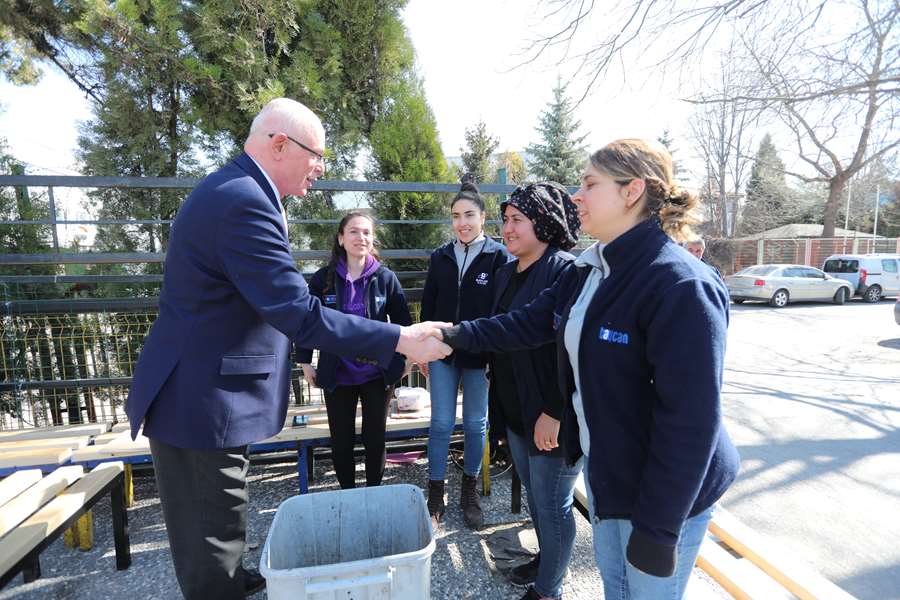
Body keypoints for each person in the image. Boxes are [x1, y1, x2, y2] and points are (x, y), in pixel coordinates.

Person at [125, 98, 450, 600]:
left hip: (205, 394)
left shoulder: (238, 190)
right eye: (316, 155)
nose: (320, 168)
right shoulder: (243, 201)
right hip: (199, 400)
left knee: (222, 517)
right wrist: (399, 339)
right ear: (279, 144)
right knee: (210, 535)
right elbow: (297, 312)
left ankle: (232, 577)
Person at [436, 139, 740, 600]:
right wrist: (450, 335)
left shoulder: (679, 284)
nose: (576, 196)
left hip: (664, 494)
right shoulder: (589, 270)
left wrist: (658, 531)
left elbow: (691, 422)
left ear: (632, 190)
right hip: (609, 476)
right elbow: (526, 323)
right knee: (616, 589)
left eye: (590, 184)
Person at [489, 182, 583, 600]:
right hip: (516, 409)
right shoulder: (506, 272)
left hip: (549, 414)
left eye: (517, 220)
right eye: (505, 220)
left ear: (543, 223)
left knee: (553, 503)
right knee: (536, 495)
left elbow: (573, 352)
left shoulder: (565, 271)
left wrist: (556, 409)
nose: (507, 229)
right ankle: (547, 561)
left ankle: (549, 591)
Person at [420, 180, 512, 528]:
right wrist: (424, 351)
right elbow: (428, 307)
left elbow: (503, 312)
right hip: (442, 352)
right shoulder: (440, 256)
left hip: (479, 354)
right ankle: (435, 490)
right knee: (441, 423)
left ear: (483, 217)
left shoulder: (499, 256)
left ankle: (469, 489)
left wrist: (495, 356)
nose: (462, 223)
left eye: (469, 215)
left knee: (476, 425)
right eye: (456, 216)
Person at [297, 211, 412, 489]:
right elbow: (308, 322)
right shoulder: (323, 279)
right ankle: (347, 493)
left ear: (372, 240)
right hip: (337, 373)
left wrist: (407, 360)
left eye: (366, 233)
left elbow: (403, 324)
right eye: (353, 232)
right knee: (341, 440)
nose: (361, 237)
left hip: (377, 373)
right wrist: (304, 362)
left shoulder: (386, 278)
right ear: (341, 238)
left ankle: (374, 492)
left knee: (375, 438)